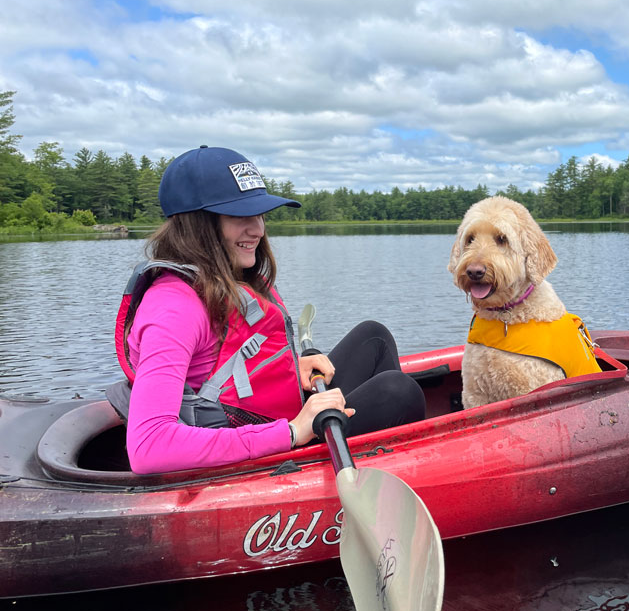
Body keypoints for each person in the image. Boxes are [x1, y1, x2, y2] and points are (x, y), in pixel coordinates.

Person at [109, 145, 425, 475]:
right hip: (260, 453)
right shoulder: (173, 309)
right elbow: (149, 447)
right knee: (397, 392)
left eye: (259, 215)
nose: (258, 230)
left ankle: (383, 468)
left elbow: (227, 364)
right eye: (240, 216)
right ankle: (397, 485)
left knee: (373, 338)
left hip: (276, 420)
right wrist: (291, 431)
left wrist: (288, 366)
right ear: (196, 224)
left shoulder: (226, 276)